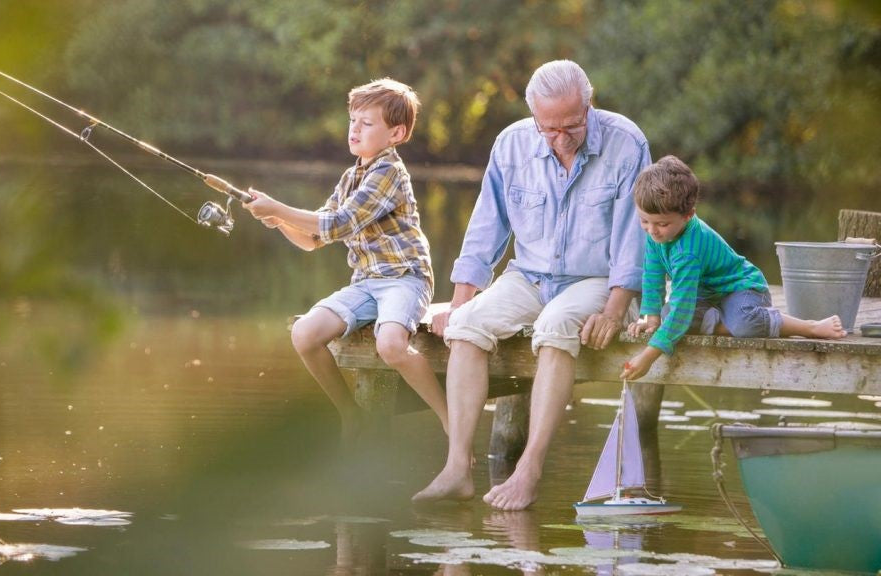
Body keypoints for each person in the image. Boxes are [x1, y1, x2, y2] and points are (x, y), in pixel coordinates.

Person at [413, 60, 649, 510]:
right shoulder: (511, 144)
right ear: (534, 117)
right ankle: (457, 468)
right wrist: (459, 302)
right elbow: (486, 228)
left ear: (589, 104)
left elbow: (632, 240)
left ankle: (529, 469)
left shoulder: (627, 143)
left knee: (556, 325)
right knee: (467, 326)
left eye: (571, 126)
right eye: (549, 129)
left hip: (595, 279)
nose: (560, 138)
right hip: (529, 275)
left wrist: (616, 309)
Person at [242, 78, 448, 441]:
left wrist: (279, 207)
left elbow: (339, 224)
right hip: (367, 284)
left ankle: (451, 421)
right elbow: (314, 240)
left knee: (391, 345)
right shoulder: (351, 176)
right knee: (304, 333)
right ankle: (351, 416)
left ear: (395, 133)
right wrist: (278, 221)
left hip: (405, 278)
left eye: (367, 123)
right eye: (353, 120)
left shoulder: (389, 172)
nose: (355, 129)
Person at [619, 155, 846, 381]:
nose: (652, 230)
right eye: (644, 221)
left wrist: (648, 356)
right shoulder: (655, 235)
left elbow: (682, 307)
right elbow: (652, 274)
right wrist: (650, 319)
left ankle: (810, 327)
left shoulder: (688, 251)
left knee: (742, 324)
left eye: (662, 224)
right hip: (706, 296)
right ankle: (725, 319)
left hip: (741, 289)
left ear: (688, 215)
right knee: (668, 315)